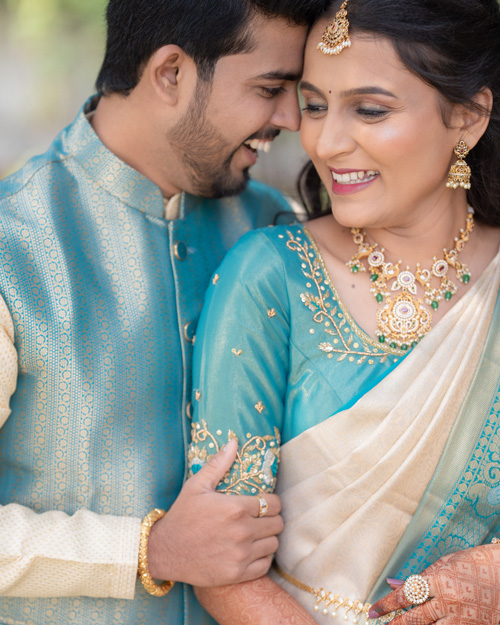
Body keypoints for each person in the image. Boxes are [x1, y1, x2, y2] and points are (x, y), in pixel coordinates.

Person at [0, 0, 329, 623]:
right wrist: (148, 550)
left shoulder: (282, 233)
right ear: (172, 74)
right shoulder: (13, 245)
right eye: (270, 88)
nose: (291, 117)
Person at [187, 0, 500, 623]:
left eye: (370, 110)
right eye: (314, 106)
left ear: (467, 117)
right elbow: (222, 564)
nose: (326, 143)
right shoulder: (271, 277)